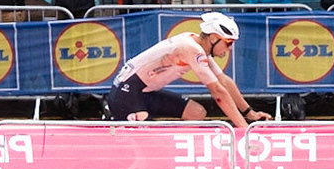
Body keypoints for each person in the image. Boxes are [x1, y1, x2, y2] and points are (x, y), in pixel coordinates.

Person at [105, 11, 267, 130]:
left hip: (145, 91)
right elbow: (218, 92)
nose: (230, 49)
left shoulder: (197, 44)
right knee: (148, 144)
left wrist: (250, 113)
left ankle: (174, 152)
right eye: (229, 42)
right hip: (126, 94)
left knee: (197, 113)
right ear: (213, 38)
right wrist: (244, 128)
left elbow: (223, 81)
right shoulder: (191, 48)